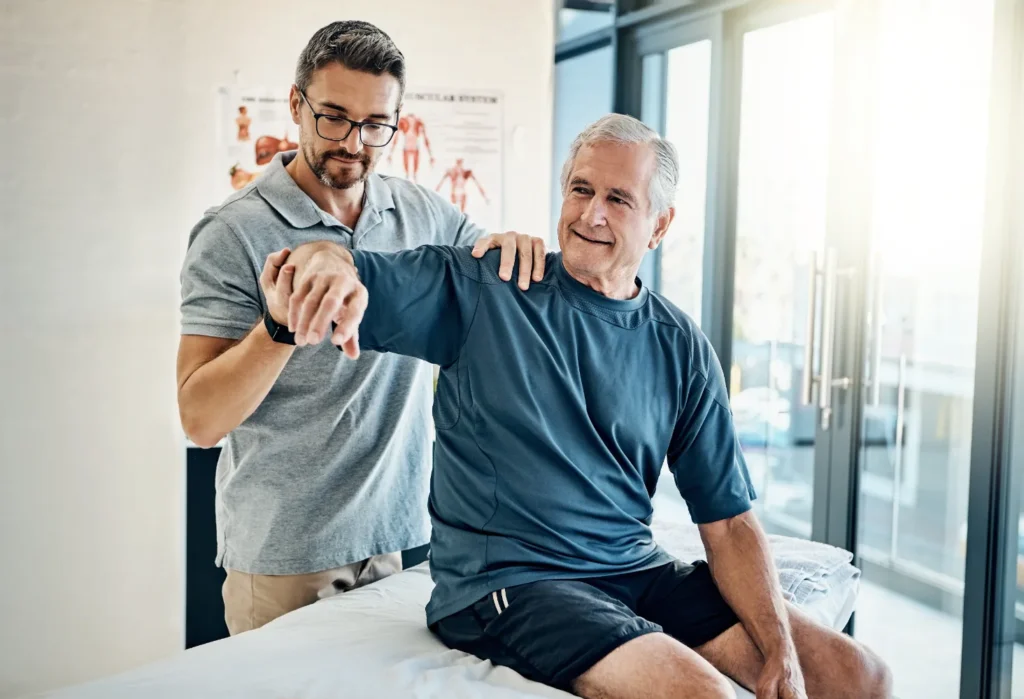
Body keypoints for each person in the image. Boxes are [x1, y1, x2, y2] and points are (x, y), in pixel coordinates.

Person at [271, 113, 893, 699]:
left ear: (659, 225)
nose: (591, 213)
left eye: (618, 199)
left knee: (860, 676)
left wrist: (779, 648)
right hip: (509, 580)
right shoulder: (489, 286)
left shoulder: (680, 344)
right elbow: (342, 265)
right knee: (700, 691)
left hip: (633, 570)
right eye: (580, 189)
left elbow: (728, 523)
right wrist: (324, 262)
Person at [176, 20, 547, 636]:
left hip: (397, 541)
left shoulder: (421, 212)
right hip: (285, 557)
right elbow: (200, 419)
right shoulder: (232, 233)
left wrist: (517, 248)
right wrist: (279, 327)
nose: (353, 142)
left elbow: (491, 276)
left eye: (376, 124)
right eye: (334, 117)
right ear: (296, 105)